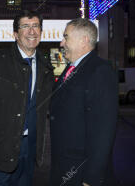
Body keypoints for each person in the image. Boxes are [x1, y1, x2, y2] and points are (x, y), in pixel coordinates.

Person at [0, 10, 54, 186]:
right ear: (15, 34)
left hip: (29, 150)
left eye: (36, 26)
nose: (32, 31)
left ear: (41, 32)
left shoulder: (46, 67)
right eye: (25, 26)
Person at [50, 18, 118, 186]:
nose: (61, 42)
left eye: (66, 37)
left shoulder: (100, 70)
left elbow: (104, 130)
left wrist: (91, 178)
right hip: (64, 166)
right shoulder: (71, 68)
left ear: (84, 41)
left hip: (81, 171)